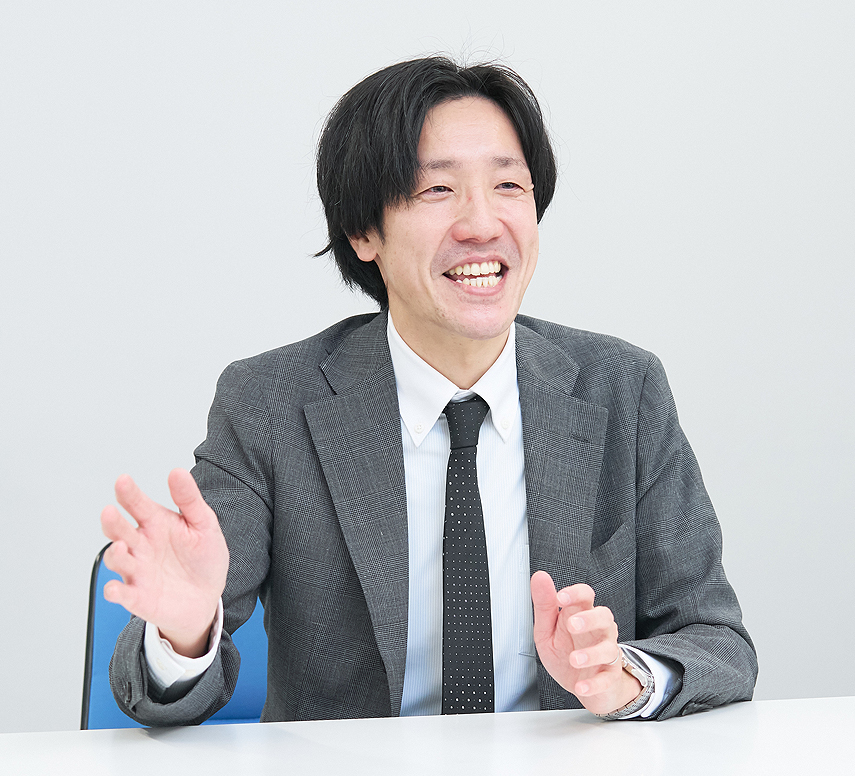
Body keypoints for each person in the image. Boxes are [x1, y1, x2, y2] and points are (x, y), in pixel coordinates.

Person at [101, 57, 757, 726]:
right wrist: (185, 631)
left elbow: (718, 643)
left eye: (508, 185)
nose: (482, 224)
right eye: (436, 190)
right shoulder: (269, 404)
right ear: (363, 232)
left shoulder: (622, 390)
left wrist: (624, 678)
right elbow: (148, 691)